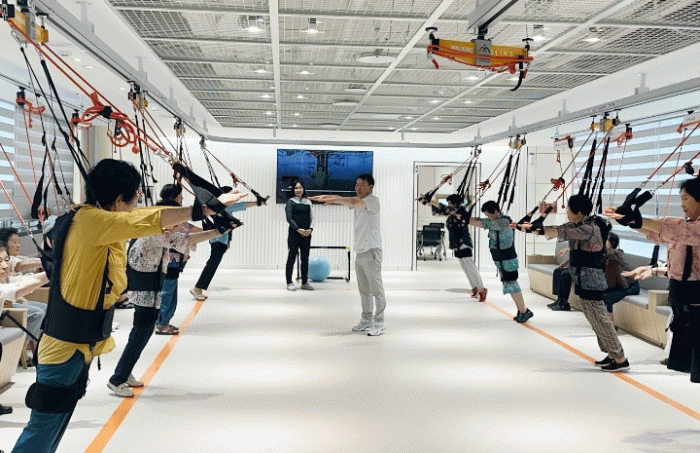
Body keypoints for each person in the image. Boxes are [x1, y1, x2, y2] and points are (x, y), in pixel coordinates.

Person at [11, 159, 242, 453]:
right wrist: (203, 209)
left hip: (75, 345)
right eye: (133, 201)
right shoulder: (92, 221)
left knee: (52, 426)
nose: (134, 208)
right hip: (64, 346)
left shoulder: (91, 220)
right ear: (119, 199)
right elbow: (146, 219)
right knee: (44, 427)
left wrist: (207, 212)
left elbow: (144, 216)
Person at [108, 199, 231, 397]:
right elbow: (186, 240)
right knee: (141, 332)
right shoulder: (153, 234)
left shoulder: (157, 231)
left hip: (150, 287)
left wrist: (218, 230)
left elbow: (185, 237)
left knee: (142, 332)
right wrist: (218, 231)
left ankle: (124, 371)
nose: (177, 224)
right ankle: (117, 379)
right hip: (145, 288)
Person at [605, 177, 700, 381]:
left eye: (686, 198)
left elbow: (677, 230)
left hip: (696, 296)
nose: (682, 204)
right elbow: (656, 234)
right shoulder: (686, 226)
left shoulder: (691, 229)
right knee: (685, 360)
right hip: (680, 293)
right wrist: (630, 222)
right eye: (681, 198)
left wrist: (635, 219)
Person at [521, 194, 629, 372]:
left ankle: (620, 358)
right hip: (582, 278)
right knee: (595, 319)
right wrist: (533, 229)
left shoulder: (589, 228)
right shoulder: (581, 225)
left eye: (569, 210)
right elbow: (560, 229)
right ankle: (612, 354)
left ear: (578, 212)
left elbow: (562, 232)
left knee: (600, 319)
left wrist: (537, 230)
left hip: (592, 280)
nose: (567, 213)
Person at [310, 174, 387, 336]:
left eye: (362, 185)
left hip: (372, 251)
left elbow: (351, 201)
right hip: (360, 251)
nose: (358, 188)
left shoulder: (373, 201)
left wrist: (332, 199)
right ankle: (366, 320)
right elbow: (347, 199)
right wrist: (329, 197)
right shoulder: (358, 201)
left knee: (376, 289)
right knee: (364, 290)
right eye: (357, 185)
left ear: (371, 186)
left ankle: (380, 322)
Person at [190, 187, 268, 300]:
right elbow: (243, 205)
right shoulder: (224, 206)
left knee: (212, 264)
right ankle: (197, 288)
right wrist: (258, 203)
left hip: (218, 240)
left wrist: (258, 203)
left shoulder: (220, 207)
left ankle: (198, 288)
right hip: (218, 240)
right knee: (212, 265)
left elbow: (242, 205)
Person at [469, 201, 532, 322]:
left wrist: (465, 218)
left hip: (508, 260)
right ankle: (520, 310)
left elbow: (480, 223)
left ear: (496, 212)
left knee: (512, 285)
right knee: (510, 286)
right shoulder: (496, 221)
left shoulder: (503, 222)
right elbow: (479, 221)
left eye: (489, 215)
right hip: (502, 260)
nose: (488, 218)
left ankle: (524, 310)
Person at [155, 184, 201, 334]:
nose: (182, 199)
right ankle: (161, 324)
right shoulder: (171, 215)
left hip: (172, 261)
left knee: (170, 291)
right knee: (167, 292)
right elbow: (188, 230)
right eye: (180, 196)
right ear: (175, 198)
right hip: (168, 261)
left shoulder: (172, 214)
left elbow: (190, 228)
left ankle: (164, 322)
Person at [427, 194, 486, 301]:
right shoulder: (451, 213)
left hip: (464, 243)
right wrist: (426, 201)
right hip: (456, 244)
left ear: (454, 203)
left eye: (450, 203)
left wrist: (431, 201)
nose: (448, 205)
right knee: (465, 268)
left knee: (470, 267)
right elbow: (439, 209)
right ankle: (475, 287)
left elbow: (443, 208)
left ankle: (482, 289)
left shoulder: (461, 211)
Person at [602, 232, 640, 323]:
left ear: (612, 243)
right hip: (620, 285)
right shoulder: (606, 256)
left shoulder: (615, 254)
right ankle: (605, 321)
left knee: (607, 297)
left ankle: (611, 324)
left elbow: (617, 281)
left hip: (631, 286)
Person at [285, 180, 314, 291]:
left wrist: (310, 229)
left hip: (306, 234)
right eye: (296, 188)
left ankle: (304, 283)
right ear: (293, 190)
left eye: (300, 187)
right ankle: (289, 282)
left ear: (303, 189)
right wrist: (298, 229)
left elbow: (313, 217)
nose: (298, 190)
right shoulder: (290, 202)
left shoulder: (308, 202)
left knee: (305, 259)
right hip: (294, 234)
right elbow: (289, 218)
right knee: (291, 257)